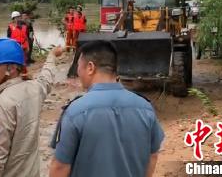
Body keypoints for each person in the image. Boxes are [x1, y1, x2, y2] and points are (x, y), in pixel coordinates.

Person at [49, 40, 164, 177]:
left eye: (79, 66)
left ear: (90, 68)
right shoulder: (145, 108)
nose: (78, 72)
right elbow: (153, 155)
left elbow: (60, 167)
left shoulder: (75, 112)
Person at [0, 38, 63, 177]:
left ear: (12, 68)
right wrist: (51, 56)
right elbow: (46, 78)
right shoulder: (34, 88)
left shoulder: (4, 102)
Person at [6, 11, 30, 79]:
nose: (17, 19)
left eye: (18, 17)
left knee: (23, 62)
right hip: (14, 47)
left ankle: (25, 76)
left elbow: (27, 37)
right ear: (13, 19)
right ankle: (14, 76)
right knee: (14, 62)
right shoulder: (10, 27)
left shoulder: (25, 27)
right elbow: (8, 38)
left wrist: (28, 46)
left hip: (23, 47)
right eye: (15, 18)